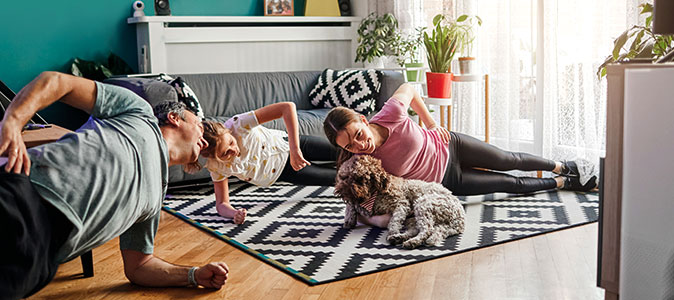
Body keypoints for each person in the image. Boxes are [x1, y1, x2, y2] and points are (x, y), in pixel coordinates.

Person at [0, 72, 229, 300]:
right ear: (174, 117)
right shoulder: (139, 112)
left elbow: (140, 267)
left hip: (40, 257)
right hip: (26, 195)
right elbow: (59, 82)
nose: (205, 138)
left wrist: (193, 275)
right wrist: (12, 121)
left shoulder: (156, 197)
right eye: (199, 125)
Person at [323, 83, 597, 227]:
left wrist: (430, 123)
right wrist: (377, 220)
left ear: (362, 119)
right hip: (446, 182)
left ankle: (563, 166)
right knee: (507, 184)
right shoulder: (362, 163)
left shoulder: (391, 113)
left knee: (508, 159)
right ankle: (563, 183)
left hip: (451, 145)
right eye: (350, 147)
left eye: (358, 135)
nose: (360, 146)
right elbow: (360, 204)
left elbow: (410, 88)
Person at [192, 102, 337, 224]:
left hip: (290, 144)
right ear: (213, 158)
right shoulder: (215, 167)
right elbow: (221, 204)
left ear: (227, 131)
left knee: (342, 151)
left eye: (231, 142)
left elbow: (287, 107)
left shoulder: (238, 124)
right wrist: (233, 213)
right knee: (339, 178)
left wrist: (294, 149)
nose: (233, 150)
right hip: (285, 171)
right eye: (225, 153)